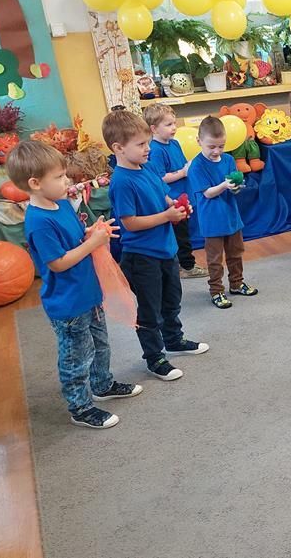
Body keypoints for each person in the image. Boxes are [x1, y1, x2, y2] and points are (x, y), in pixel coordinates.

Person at [10, 140, 142, 429]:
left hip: (89, 292)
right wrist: (92, 243)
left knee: (101, 344)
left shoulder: (61, 205)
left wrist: (91, 232)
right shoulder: (39, 222)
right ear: (35, 183)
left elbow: (75, 238)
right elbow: (57, 262)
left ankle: (102, 384)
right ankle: (80, 408)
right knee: (76, 357)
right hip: (68, 303)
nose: (67, 181)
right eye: (59, 177)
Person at [104, 109, 208, 382]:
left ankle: (173, 339)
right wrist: (166, 216)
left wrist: (175, 207)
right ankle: (154, 358)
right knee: (150, 311)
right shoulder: (121, 182)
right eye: (140, 144)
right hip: (141, 257)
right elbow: (129, 223)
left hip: (166, 249)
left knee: (172, 300)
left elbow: (163, 196)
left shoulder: (147, 167)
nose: (148, 149)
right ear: (118, 148)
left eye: (147, 142)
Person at [187, 116, 259, 309]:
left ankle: (236, 283)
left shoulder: (228, 159)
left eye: (221, 146)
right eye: (211, 146)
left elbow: (233, 188)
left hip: (231, 217)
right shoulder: (196, 166)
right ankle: (216, 290)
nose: (217, 151)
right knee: (215, 259)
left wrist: (236, 187)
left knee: (236, 253)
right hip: (212, 220)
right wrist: (225, 185)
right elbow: (208, 193)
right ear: (199, 141)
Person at [144, 103, 207, 279]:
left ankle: (182, 264)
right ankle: (187, 266)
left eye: (174, 123)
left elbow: (183, 164)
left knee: (184, 233)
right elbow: (160, 178)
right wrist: (182, 172)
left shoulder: (175, 143)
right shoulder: (155, 150)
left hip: (183, 195)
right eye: (168, 124)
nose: (174, 127)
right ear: (154, 129)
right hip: (171, 199)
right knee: (181, 235)